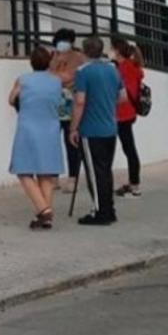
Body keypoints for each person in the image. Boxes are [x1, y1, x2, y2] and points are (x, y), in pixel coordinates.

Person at [70, 37, 128, 226]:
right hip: (110, 127)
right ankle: (108, 208)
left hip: (91, 128)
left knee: (94, 173)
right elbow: (122, 97)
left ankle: (99, 211)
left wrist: (73, 127)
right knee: (105, 171)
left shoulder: (83, 72)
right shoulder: (112, 70)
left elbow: (80, 101)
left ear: (84, 52)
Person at [8, 46, 65, 229]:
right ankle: (44, 215)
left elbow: (11, 99)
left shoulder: (23, 80)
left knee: (24, 171)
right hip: (50, 128)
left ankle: (43, 210)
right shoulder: (56, 81)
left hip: (28, 128)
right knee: (45, 173)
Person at [49, 29, 86, 193]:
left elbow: (68, 77)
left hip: (70, 102)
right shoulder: (53, 56)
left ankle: (73, 177)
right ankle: (53, 176)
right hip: (54, 102)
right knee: (52, 141)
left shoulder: (78, 58)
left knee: (70, 141)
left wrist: (55, 76)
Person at [111, 37, 145, 197]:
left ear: (117, 51)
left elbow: (119, 92)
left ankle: (134, 183)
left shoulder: (121, 69)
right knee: (129, 147)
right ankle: (134, 182)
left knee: (125, 148)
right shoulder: (134, 67)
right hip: (130, 112)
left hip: (120, 113)